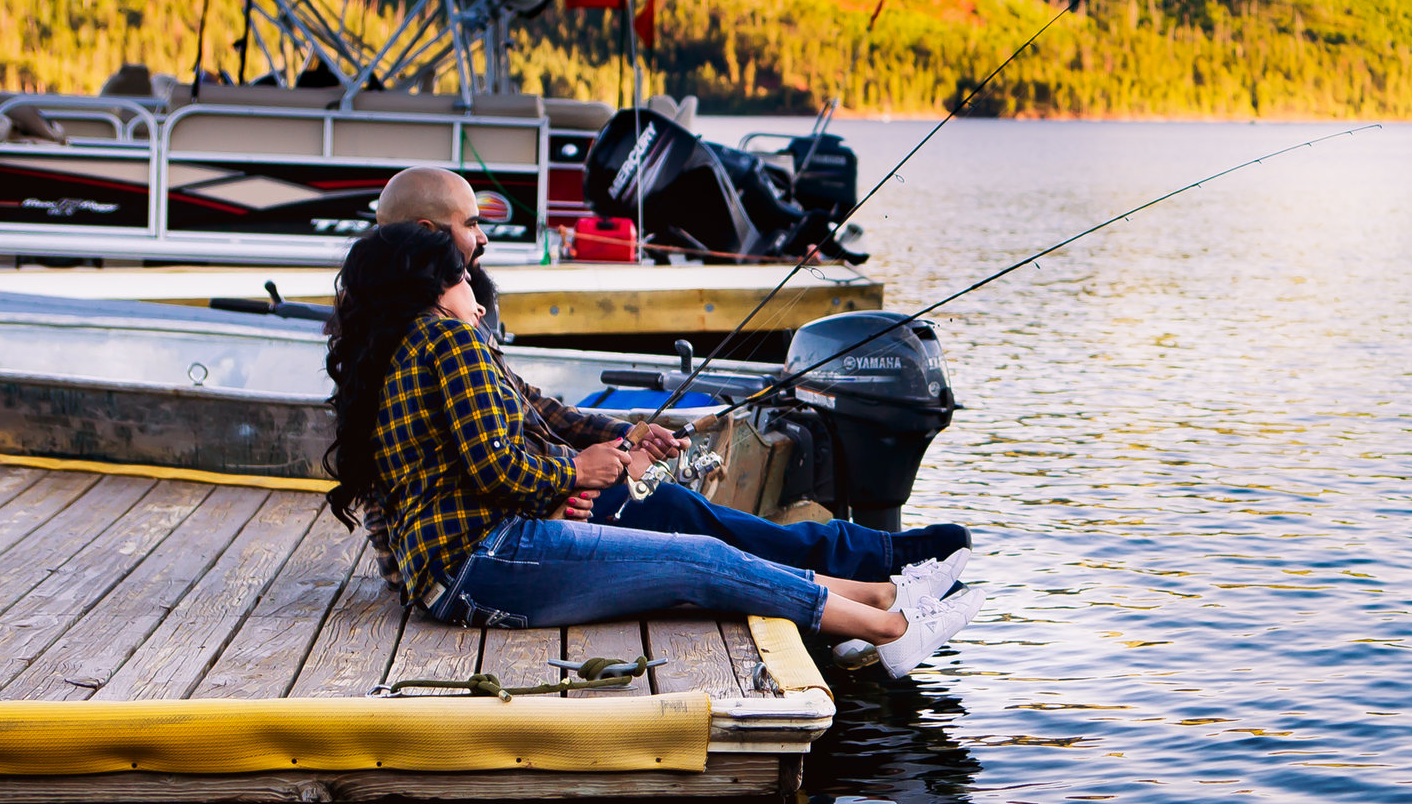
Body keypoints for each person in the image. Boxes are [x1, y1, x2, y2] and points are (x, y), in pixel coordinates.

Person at [325, 223, 978, 677]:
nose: (474, 292)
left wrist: (600, 455)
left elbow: (474, 460)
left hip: (457, 577)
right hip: (489, 562)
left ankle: (881, 600)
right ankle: (890, 628)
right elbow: (498, 464)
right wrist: (577, 470)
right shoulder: (448, 341)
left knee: (696, 559)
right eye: (464, 279)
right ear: (432, 288)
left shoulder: (394, 354)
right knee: (697, 560)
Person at [368, 166, 970, 582]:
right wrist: (571, 478)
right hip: (504, 539)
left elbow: (531, 408)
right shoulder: (434, 332)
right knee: (681, 517)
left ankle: (866, 561)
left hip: (519, 519)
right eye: (471, 224)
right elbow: (461, 470)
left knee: (679, 508)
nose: (483, 238)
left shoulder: (403, 320)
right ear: (428, 232)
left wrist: (622, 436)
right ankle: (877, 560)